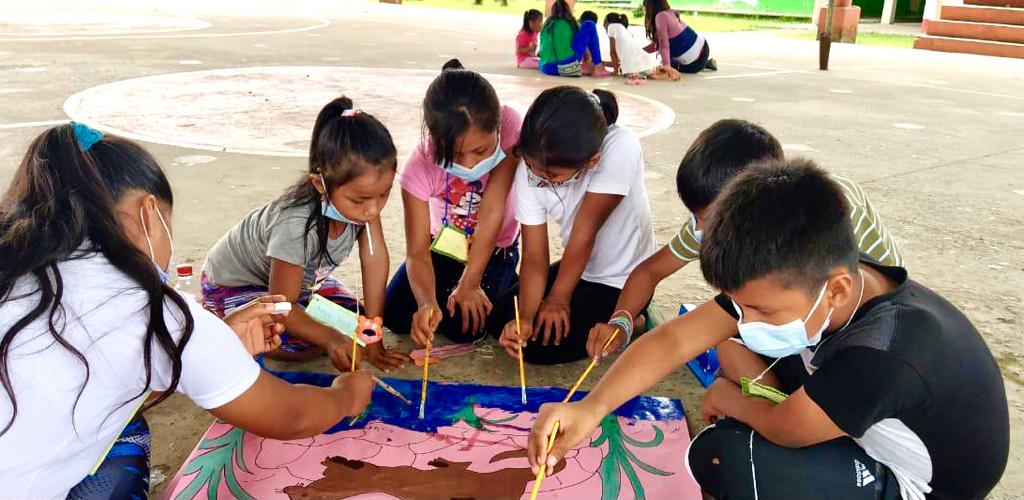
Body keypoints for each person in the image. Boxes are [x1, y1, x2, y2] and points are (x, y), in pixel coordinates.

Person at [528, 159, 1009, 500]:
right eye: (741, 308)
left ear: (837, 290)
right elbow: (676, 338)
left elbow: (790, 429)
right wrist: (591, 408)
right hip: (865, 415)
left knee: (724, 456)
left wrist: (732, 399)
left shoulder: (885, 349)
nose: (744, 322)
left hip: (920, 485)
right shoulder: (808, 278)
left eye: (761, 311)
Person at [0, 124, 375, 498]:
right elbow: (290, 417)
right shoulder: (156, 312)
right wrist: (345, 397)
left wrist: (219, 344)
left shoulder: (14, 266)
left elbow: (101, 374)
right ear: (149, 214)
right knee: (126, 437)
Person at [587, 120, 905, 373]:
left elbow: (859, 304)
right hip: (807, 320)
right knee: (728, 342)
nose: (699, 229)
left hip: (858, 329)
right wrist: (622, 319)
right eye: (695, 217)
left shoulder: (828, 213)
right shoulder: (716, 223)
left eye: (708, 219)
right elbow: (650, 272)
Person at [201, 97, 410, 372]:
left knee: (355, 322)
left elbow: (375, 258)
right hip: (233, 286)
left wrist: (373, 333)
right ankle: (217, 316)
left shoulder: (363, 204)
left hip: (295, 285)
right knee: (300, 342)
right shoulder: (296, 224)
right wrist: (331, 340)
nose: (372, 210)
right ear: (319, 184)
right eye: (359, 200)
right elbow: (282, 306)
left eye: (383, 194)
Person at [497, 87, 655, 365]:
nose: (538, 179)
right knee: (502, 319)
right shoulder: (531, 167)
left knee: (540, 348)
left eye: (551, 176)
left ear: (591, 161)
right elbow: (535, 258)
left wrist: (558, 300)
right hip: (580, 268)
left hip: (625, 278)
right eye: (532, 168)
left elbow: (585, 232)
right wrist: (526, 319)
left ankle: (635, 320)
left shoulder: (621, 146)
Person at [384, 61, 522, 348]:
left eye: (481, 151)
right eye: (455, 155)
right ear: (435, 140)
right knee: (396, 314)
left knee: (467, 327)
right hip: (444, 245)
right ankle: (470, 292)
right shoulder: (418, 167)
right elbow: (418, 252)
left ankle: (508, 285)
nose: (469, 163)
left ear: (497, 127)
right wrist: (426, 303)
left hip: (495, 246)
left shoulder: (511, 125)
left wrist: (470, 282)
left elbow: (493, 208)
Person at [538, 0, 609, 77]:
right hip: (565, 66)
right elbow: (581, 45)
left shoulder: (546, 25)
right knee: (589, 24)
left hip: (545, 68)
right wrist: (588, 60)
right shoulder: (569, 23)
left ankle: (584, 68)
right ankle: (598, 66)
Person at [642, 0, 717, 74]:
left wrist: (666, 67)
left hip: (695, 63)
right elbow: (658, 44)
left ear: (650, 7)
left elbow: (663, 44)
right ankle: (706, 63)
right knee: (667, 57)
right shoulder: (670, 12)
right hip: (703, 47)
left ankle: (705, 64)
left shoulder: (660, 17)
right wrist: (640, 51)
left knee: (662, 63)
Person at [604, 12, 680, 83]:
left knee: (633, 73)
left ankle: (660, 73)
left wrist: (615, 71)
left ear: (609, 22)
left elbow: (613, 51)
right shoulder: (625, 31)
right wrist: (604, 63)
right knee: (649, 69)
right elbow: (619, 61)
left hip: (633, 65)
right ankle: (663, 70)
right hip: (644, 59)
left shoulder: (612, 27)